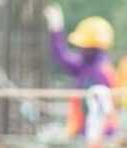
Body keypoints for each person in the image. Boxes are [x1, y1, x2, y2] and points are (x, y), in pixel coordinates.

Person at [43, 4, 118, 137]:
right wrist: (56, 29)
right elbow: (62, 57)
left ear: (91, 47)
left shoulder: (100, 72)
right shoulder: (86, 66)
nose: (81, 50)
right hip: (86, 132)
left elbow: (100, 111)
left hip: (99, 134)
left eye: (83, 46)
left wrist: (90, 133)